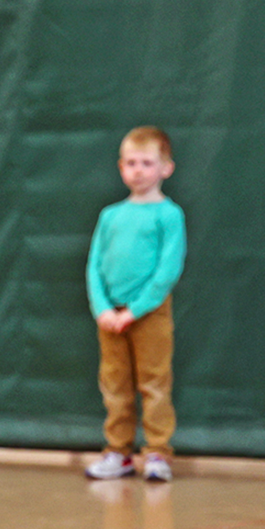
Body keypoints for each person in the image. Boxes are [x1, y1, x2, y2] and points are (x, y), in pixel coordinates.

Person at [83, 126, 186, 482]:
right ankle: (118, 453)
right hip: (110, 317)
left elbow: (167, 271)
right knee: (114, 386)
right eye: (131, 163)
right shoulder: (110, 215)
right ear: (120, 167)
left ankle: (157, 454)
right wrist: (104, 310)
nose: (138, 170)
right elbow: (94, 265)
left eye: (146, 162)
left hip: (149, 314)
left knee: (154, 383)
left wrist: (135, 310)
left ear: (165, 169)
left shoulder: (169, 215)